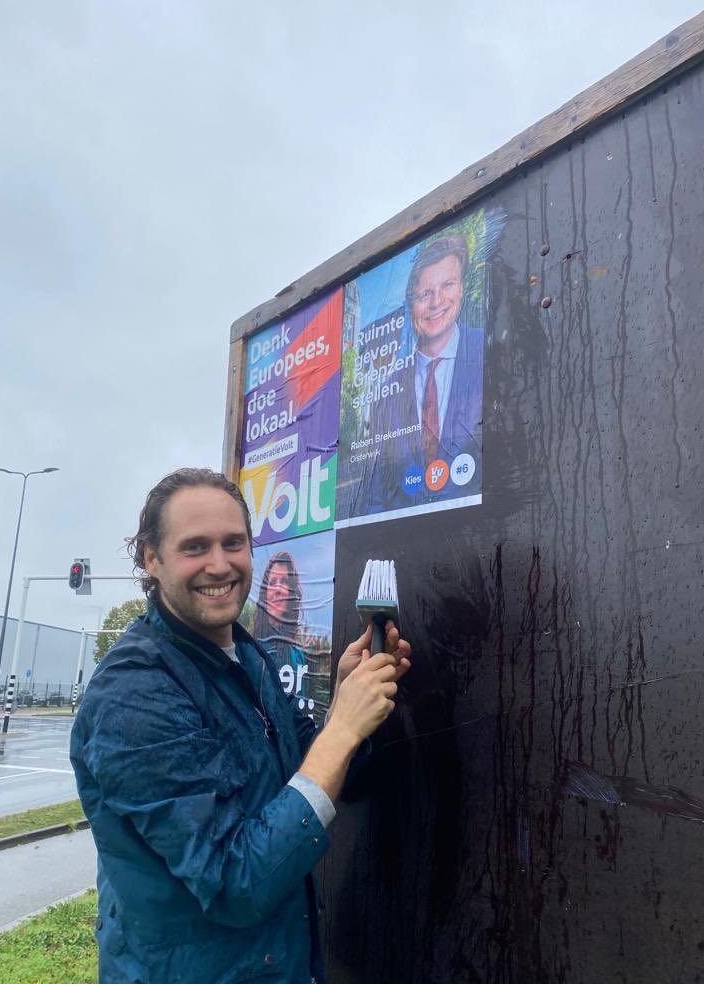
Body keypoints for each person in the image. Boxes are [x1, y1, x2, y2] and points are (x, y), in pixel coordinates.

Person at [70, 468, 411, 984]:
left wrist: (349, 703)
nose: (219, 564)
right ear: (151, 559)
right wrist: (341, 727)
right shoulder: (133, 694)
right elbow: (235, 881)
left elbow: (305, 772)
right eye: (195, 547)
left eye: (234, 543)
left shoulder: (248, 654)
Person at [364, 234, 483, 514]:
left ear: (462, 289)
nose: (436, 302)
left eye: (448, 285)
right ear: (410, 304)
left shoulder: (489, 351)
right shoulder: (388, 392)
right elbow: (378, 493)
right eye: (424, 294)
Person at [253, 550, 309, 699]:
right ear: (265, 593)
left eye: (284, 581)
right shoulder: (249, 650)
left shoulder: (299, 657)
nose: (278, 589)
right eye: (272, 583)